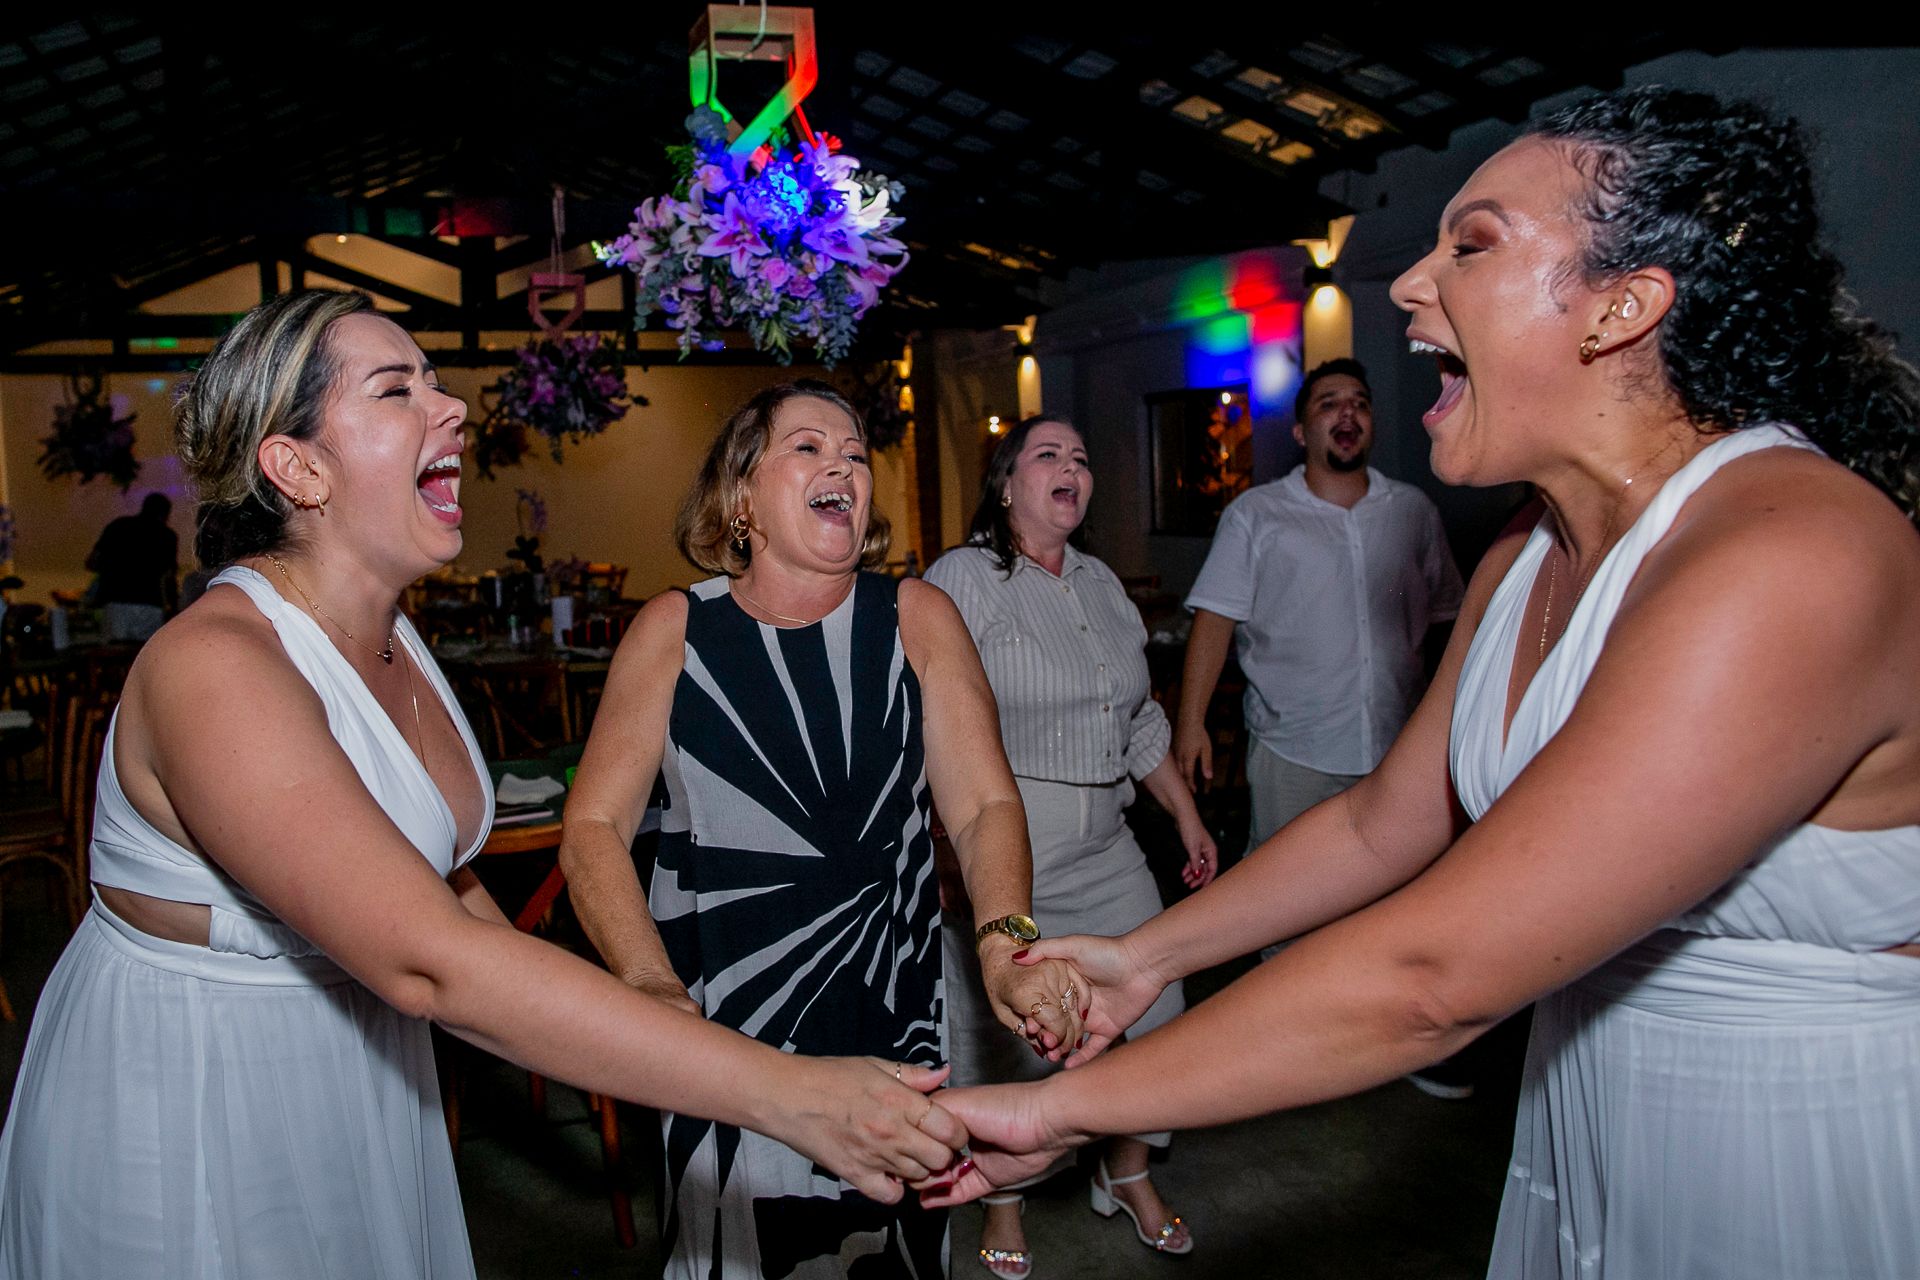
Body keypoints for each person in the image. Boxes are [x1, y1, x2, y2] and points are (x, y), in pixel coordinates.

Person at [924, 86, 1920, 1280]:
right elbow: (1381, 820)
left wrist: (1058, 1110)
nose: (1407, 283)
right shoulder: (1521, 551)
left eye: (1473, 243)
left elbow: (1432, 975)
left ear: (1622, 304)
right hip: (1590, 1112)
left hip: (1787, 1153)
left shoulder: (1790, 553)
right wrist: (1149, 957)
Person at [0, 291, 968, 1280]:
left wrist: (656, 1025)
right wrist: (789, 1093)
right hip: (200, 1091)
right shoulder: (216, 665)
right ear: (297, 467)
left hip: (366, 1069)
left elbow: (458, 902)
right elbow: (435, 960)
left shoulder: (401, 642)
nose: (451, 405)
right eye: (396, 388)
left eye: (435, 378)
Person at [560, 381, 1084, 1279]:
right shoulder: (672, 632)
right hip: (725, 1019)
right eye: (808, 447)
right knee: (741, 1251)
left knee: (894, 1247)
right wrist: (647, 984)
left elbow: (985, 804)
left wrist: (1006, 941)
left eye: (852, 450)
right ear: (740, 498)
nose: (843, 461)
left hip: (892, 1009)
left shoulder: (916, 616)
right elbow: (593, 827)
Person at [925, 416, 1218, 1276]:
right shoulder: (963, 578)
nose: (1071, 469)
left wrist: (1186, 816)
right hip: (1008, 842)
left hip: (1109, 837)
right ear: (1007, 483)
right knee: (1007, 1030)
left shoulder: (1101, 586)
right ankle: (1001, 1196)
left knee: (1156, 1014)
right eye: (1047, 455)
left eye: (1083, 458)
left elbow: (1137, 723)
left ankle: (1125, 1173)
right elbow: (924, 718)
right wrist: (945, 845)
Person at [86, 491, 180, 642]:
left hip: (115, 603)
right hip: (150, 606)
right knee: (145, 657)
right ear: (164, 514)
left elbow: (92, 562)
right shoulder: (167, 536)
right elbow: (169, 577)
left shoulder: (117, 526)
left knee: (113, 656)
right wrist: (174, 610)